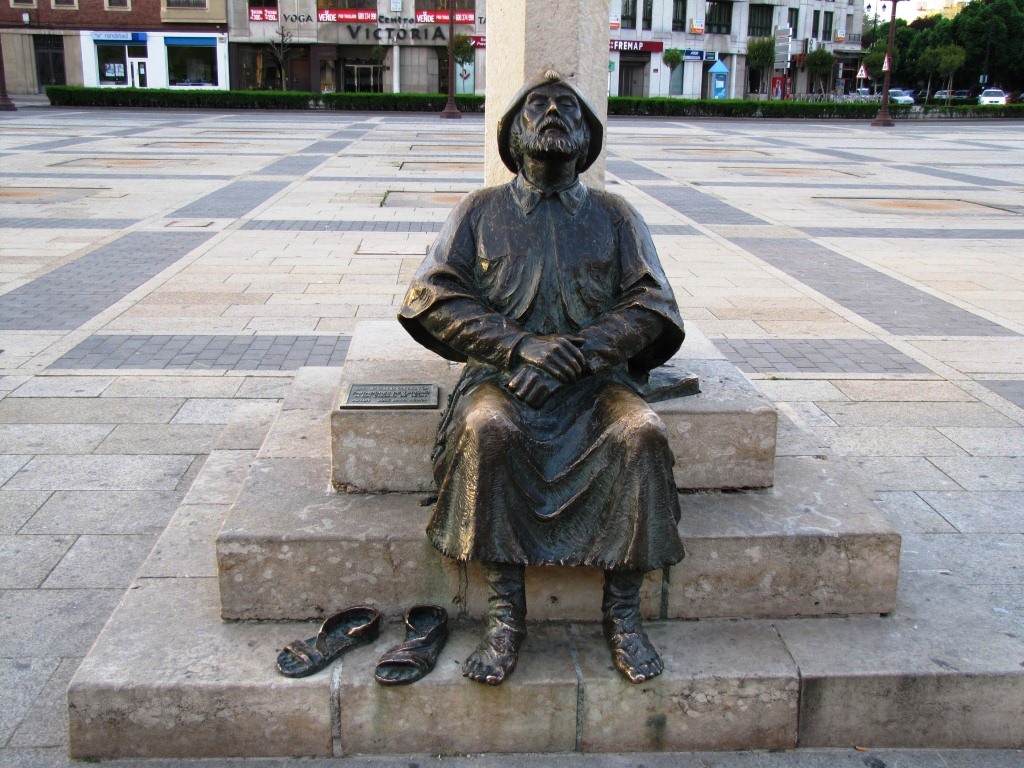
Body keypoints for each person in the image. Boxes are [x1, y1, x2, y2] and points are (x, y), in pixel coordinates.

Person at [398, 70, 685, 686]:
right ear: (512, 134)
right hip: (502, 380)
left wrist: (579, 355)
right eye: (537, 106)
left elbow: (653, 305)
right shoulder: (479, 211)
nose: (553, 113)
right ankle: (506, 616)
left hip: (597, 385)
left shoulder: (616, 215)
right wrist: (519, 347)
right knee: (487, 430)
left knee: (642, 433)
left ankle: (623, 613)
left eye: (568, 108)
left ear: (587, 138)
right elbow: (430, 296)